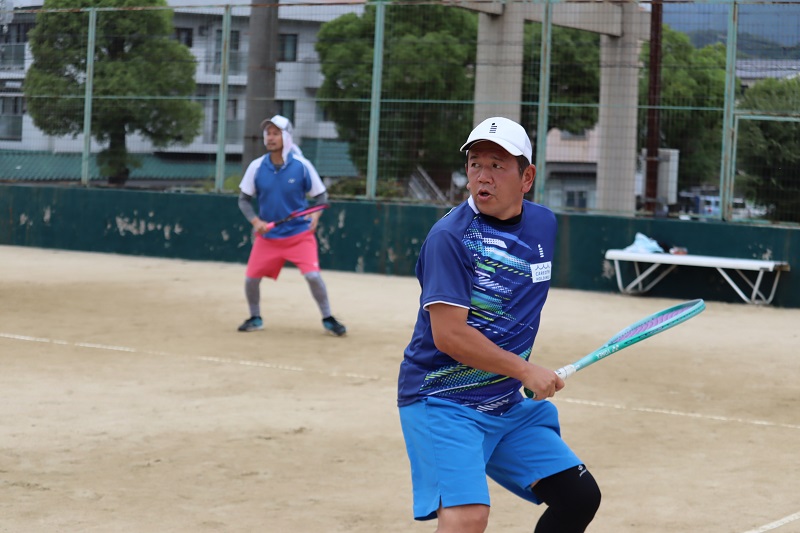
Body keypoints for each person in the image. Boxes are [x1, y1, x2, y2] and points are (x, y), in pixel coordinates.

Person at [397, 117, 600, 532]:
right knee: (468, 516)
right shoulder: (451, 238)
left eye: (497, 165)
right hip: (443, 400)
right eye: (475, 164)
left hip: (504, 401)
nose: (482, 176)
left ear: (527, 177)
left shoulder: (543, 224)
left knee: (578, 498)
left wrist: (516, 374)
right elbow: (449, 335)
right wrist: (524, 369)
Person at [236, 114, 346, 337]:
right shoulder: (256, 166)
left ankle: (328, 318)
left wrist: (315, 216)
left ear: (286, 137)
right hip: (268, 237)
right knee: (251, 279)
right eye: (268, 133)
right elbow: (243, 200)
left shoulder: (302, 166)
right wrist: (256, 221)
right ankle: (255, 318)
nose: (270, 138)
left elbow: (322, 197)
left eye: (276, 133)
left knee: (313, 276)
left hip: (299, 235)